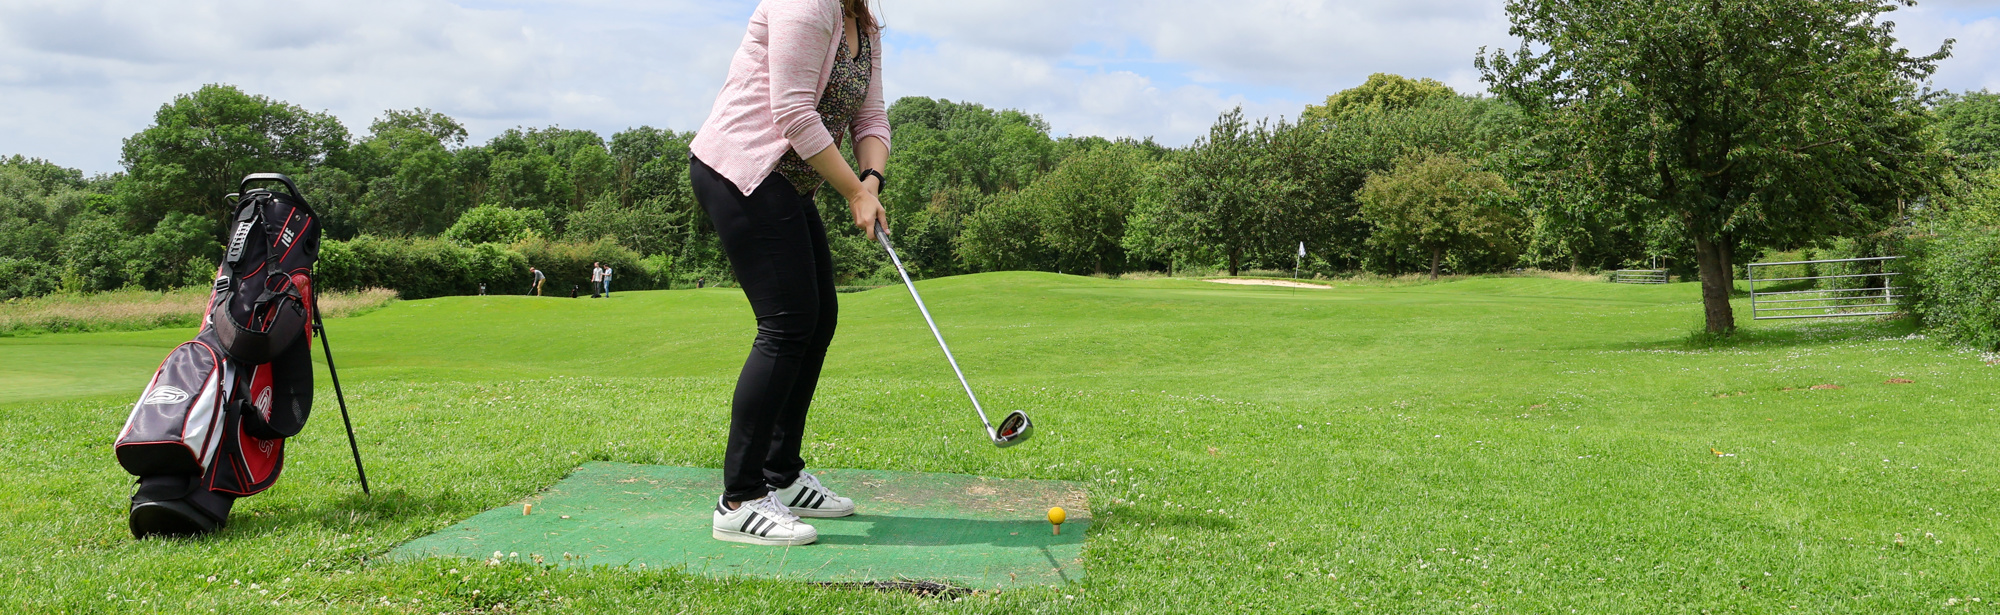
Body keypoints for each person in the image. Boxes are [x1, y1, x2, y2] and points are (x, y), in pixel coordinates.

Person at [688, 0, 889, 547]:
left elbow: (870, 119)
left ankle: (782, 473)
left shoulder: (865, 25)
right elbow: (794, 112)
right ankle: (740, 499)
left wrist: (869, 180)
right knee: (786, 324)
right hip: (741, 169)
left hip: (790, 181)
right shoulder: (806, 4)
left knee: (818, 319)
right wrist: (852, 191)